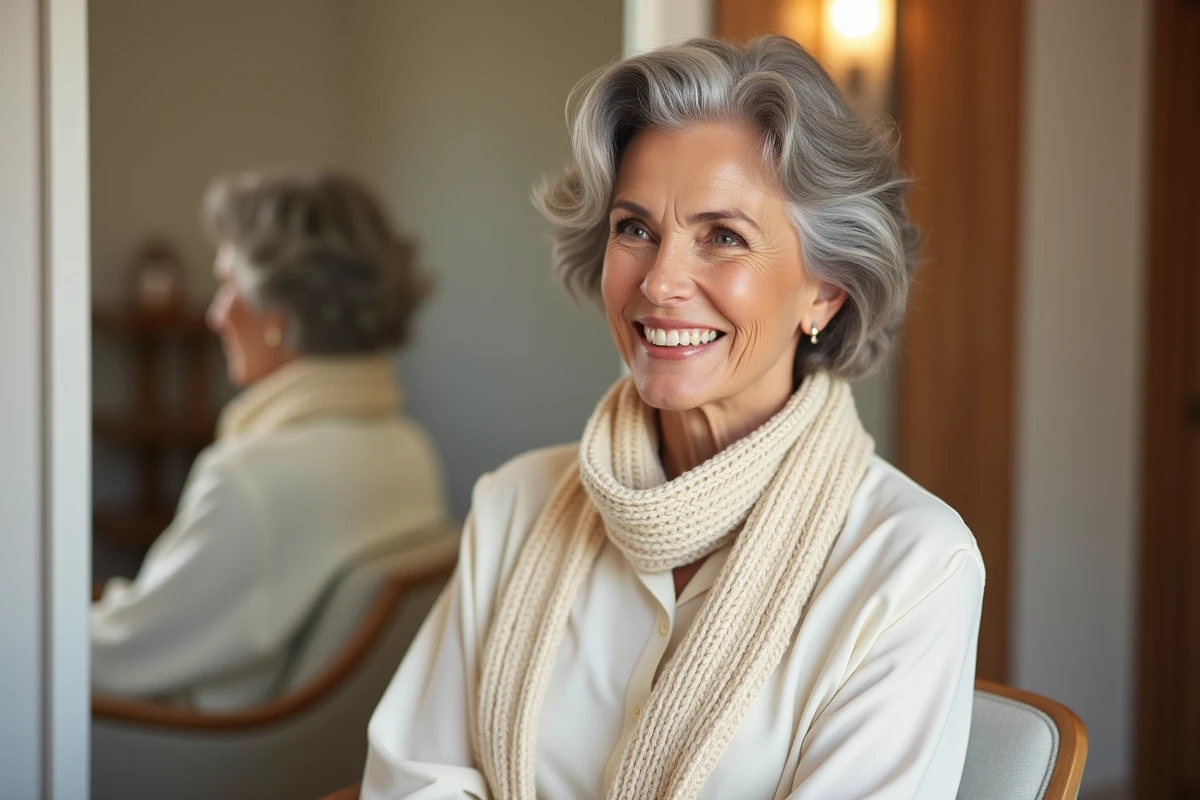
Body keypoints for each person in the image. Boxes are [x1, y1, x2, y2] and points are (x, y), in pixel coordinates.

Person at [362, 36, 984, 799]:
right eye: (635, 229)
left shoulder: (911, 565)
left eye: (722, 237)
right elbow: (413, 782)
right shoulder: (514, 505)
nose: (659, 283)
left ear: (826, 290)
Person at [91, 171, 449, 711]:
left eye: (227, 284)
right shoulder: (408, 447)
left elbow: (112, 660)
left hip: (187, 763)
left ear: (278, 312)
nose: (215, 314)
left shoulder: (249, 479)